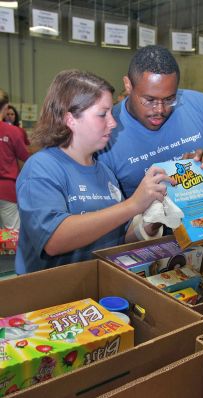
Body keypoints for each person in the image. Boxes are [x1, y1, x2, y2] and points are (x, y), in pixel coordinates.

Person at [15, 70, 172, 275]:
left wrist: (151, 222)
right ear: (70, 119)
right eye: (102, 114)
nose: (113, 123)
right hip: (50, 298)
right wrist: (133, 205)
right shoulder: (41, 168)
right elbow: (54, 240)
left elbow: (119, 234)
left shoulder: (105, 172)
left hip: (95, 289)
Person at [98, 45, 203, 199]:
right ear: (128, 85)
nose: (160, 110)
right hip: (141, 226)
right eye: (149, 99)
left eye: (169, 99)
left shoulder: (200, 106)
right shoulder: (105, 129)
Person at [0, 89, 30, 230]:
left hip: (7, 190)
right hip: (6, 190)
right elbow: (26, 156)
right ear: (6, 108)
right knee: (11, 236)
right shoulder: (13, 132)